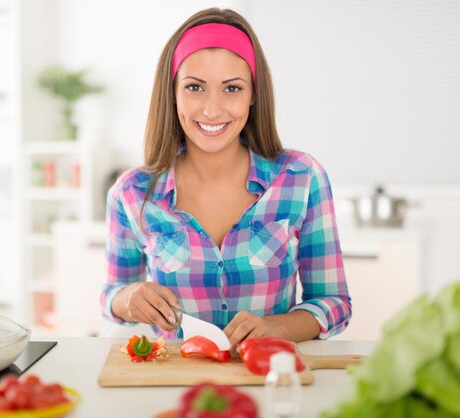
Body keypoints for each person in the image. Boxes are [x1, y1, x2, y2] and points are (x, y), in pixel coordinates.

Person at [100, 8, 351, 347]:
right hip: (174, 384)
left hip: (268, 379)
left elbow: (334, 303)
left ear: (253, 95)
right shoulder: (131, 192)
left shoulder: (301, 178)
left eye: (232, 88)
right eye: (195, 87)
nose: (213, 110)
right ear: (172, 93)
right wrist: (129, 297)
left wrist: (275, 328)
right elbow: (112, 296)